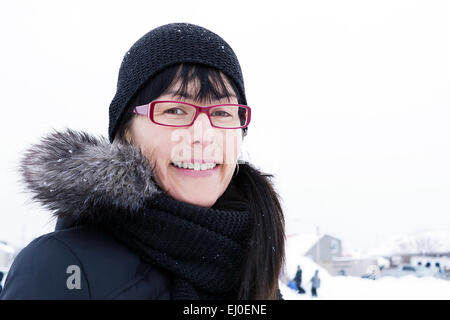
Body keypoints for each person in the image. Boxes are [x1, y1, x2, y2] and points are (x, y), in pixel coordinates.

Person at [0, 23, 286, 300]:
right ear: (125, 132)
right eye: (175, 110)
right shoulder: (59, 268)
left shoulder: (252, 260)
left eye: (222, 112)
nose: (203, 135)